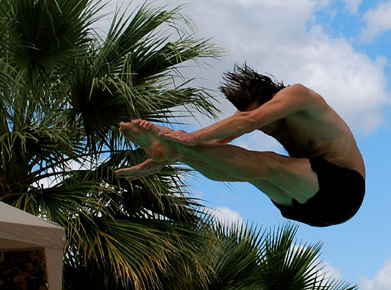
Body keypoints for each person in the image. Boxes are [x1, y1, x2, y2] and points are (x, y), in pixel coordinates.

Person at [117, 64, 365, 227]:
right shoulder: (255, 114)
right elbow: (221, 139)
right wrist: (172, 154)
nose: (264, 128)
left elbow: (250, 120)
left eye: (266, 121)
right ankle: (177, 153)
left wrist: (187, 136)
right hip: (304, 209)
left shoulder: (299, 96)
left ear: (272, 101)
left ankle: (178, 149)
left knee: (268, 161)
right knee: (244, 170)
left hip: (344, 191)